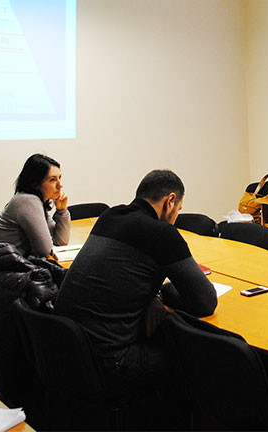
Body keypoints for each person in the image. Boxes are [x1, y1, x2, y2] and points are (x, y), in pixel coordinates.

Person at [53, 169, 217, 394]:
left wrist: (154, 294)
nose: (176, 217)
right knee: (195, 357)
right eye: (178, 209)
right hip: (110, 360)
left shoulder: (109, 216)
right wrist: (163, 293)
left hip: (65, 351)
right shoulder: (162, 234)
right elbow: (205, 302)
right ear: (170, 201)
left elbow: (122, 274)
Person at [0, 154, 71, 294]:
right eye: (52, 180)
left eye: (60, 178)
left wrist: (62, 210)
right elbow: (45, 250)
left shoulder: (37, 202)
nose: (60, 185)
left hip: (1, 275)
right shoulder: (27, 201)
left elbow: (60, 242)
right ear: (36, 184)